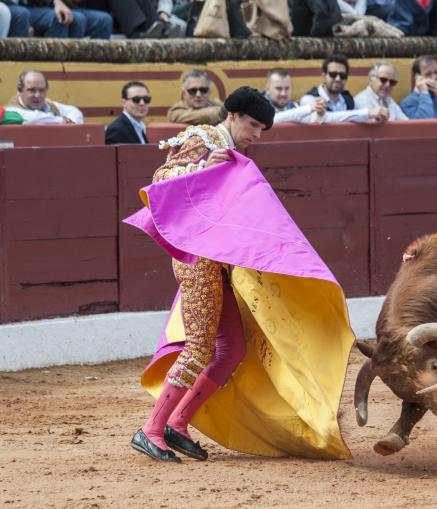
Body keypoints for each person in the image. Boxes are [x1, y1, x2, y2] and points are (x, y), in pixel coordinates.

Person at [126, 86, 353, 463]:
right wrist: (202, 167)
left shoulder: (233, 153)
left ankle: (178, 423)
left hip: (221, 264)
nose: (257, 135)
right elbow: (161, 178)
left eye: (263, 128)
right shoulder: (203, 138)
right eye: (253, 125)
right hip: (196, 258)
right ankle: (151, 428)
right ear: (231, 115)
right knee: (199, 348)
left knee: (231, 348)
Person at [299, 54, 390, 123]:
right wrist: (368, 113)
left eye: (342, 76)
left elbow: (360, 118)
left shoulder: (348, 99)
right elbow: (327, 118)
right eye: (333, 74)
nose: (338, 79)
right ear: (323, 76)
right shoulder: (309, 99)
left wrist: (377, 117)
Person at [5, 69, 84, 124]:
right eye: (32, 90)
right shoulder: (10, 111)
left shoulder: (49, 105)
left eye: (41, 90)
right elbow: (34, 119)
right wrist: (60, 121)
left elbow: (74, 112)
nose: (37, 95)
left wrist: (71, 124)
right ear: (19, 91)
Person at [263, 67, 328, 124]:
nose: (283, 93)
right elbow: (273, 119)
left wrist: (320, 114)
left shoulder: (292, 106)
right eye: (278, 89)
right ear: (267, 89)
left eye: (287, 88)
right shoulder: (258, 105)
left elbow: (312, 122)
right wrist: (309, 108)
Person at [24, 0, 113, 38]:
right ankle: (58, 68)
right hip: (33, 6)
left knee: (104, 20)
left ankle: (93, 71)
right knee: (71, 18)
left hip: (68, 6)